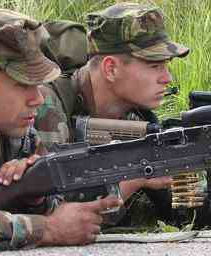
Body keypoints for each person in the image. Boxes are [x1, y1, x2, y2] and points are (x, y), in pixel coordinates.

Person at [0, 9, 122, 252]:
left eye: (39, 85)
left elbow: (54, 207)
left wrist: (33, 197)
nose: (38, 99)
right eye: (23, 85)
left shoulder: (16, 134)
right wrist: (46, 228)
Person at [34, 2, 190, 228]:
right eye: (155, 66)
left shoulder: (136, 118)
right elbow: (55, 214)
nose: (167, 78)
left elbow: (169, 215)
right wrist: (137, 177)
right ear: (111, 69)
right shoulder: (46, 106)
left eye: (166, 66)